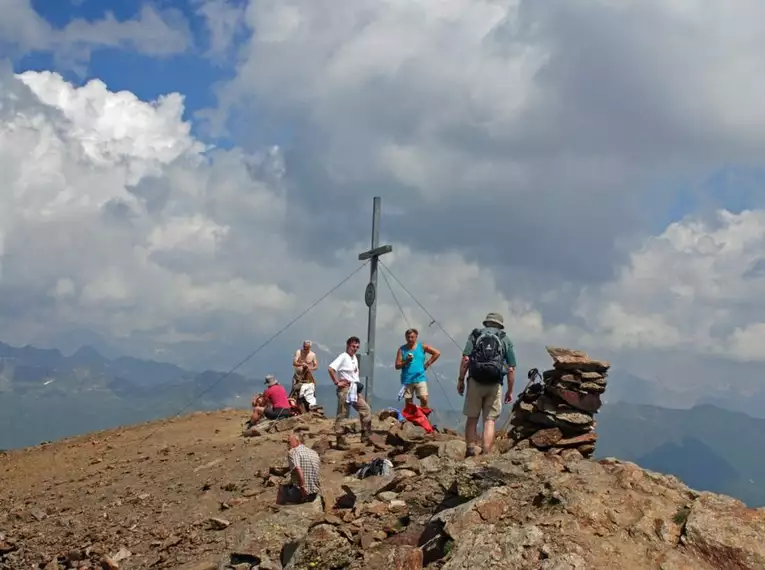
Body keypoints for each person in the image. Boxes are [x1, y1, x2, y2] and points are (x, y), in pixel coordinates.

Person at [457, 312, 515, 456]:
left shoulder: (475, 335)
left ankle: (470, 449)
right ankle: (485, 452)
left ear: (486, 323)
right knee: (489, 420)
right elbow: (511, 367)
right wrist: (510, 390)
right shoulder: (504, 339)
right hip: (495, 384)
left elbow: (465, 359)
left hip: (475, 381)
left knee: (472, 418)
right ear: (500, 325)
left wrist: (460, 380)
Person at [328, 336, 372, 449]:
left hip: (354, 389)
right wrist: (337, 382)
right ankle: (340, 440)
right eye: (353, 346)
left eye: (357, 347)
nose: (355, 349)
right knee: (343, 414)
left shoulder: (354, 358)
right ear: (348, 345)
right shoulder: (343, 357)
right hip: (345, 389)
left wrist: (358, 391)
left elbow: (355, 376)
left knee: (365, 409)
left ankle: (366, 435)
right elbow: (331, 368)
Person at [395, 328, 440, 409]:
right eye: (408, 337)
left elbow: (436, 353)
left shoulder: (421, 347)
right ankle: (411, 419)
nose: (410, 339)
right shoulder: (402, 349)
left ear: (416, 337)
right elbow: (397, 365)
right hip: (407, 379)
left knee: (424, 399)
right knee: (409, 402)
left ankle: (424, 417)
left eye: (412, 337)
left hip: (420, 377)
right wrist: (406, 362)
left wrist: (427, 364)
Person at [279, 432, 321, 504]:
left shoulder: (294, 452)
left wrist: (302, 487)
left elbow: (298, 469)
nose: (288, 445)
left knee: (282, 489)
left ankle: (283, 506)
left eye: (289, 442)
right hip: (315, 491)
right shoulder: (314, 452)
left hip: (302, 492)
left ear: (297, 441)